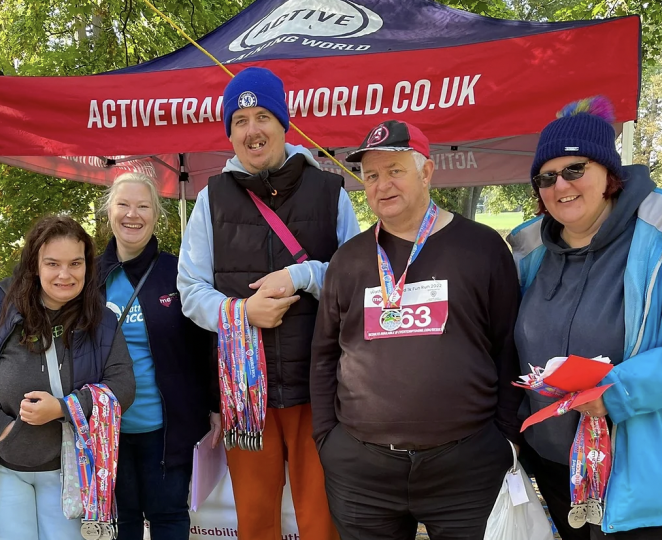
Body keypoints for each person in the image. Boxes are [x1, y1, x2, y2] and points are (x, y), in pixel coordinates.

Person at [311, 120, 524, 540]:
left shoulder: (481, 248)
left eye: (395, 170)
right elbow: (323, 357)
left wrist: (504, 439)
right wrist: (327, 441)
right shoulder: (349, 260)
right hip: (361, 472)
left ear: (426, 173)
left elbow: (509, 348)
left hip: (466, 469)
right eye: (371, 175)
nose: (382, 184)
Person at [177, 66, 359, 540]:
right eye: (239, 120)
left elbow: (356, 279)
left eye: (262, 116)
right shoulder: (210, 199)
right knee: (255, 524)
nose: (252, 130)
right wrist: (241, 313)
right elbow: (190, 289)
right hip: (245, 394)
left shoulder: (330, 192)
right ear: (230, 134)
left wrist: (303, 275)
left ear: (284, 123)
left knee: (323, 523)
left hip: (319, 389)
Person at [509, 96, 662, 539]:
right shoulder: (528, 248)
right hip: (556, 467)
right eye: (546, 176)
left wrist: (615, 394)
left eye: (575, 169)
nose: (561, 185)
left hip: (637, 476)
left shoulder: (655, 233)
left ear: (608, 174)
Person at [0, 215, 136, 540]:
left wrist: (64, 408)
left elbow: (122, 387)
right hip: (4, 467)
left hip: (70, 472)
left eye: (75, 263)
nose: (65, 274)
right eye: (53, 263)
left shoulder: (100, 319)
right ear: (34, 265)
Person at [97, 172, 217, 539]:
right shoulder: (88, 276)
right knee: (123, 522)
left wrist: (215, 406)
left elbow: (206, 344)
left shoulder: (179, 273)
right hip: (109, 431)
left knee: (168, 518)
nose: (132, 214)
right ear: (108, 213)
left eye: (143, 206)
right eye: (123, 205)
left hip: (168, 429)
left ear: (156, 215)